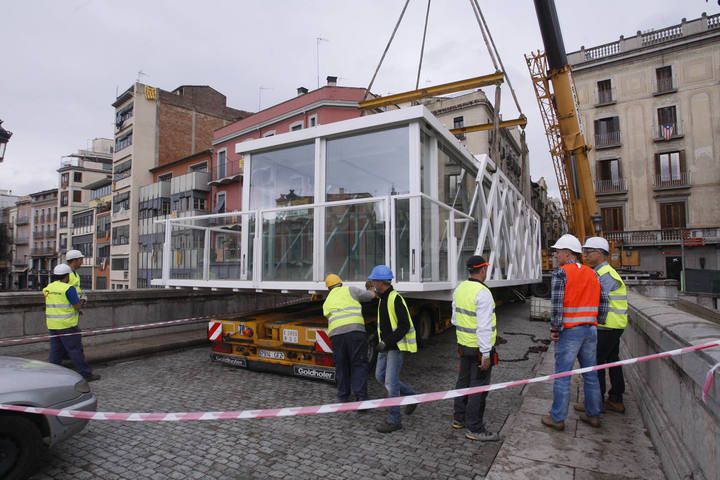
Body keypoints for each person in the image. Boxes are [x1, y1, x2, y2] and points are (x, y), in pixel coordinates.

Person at [541, 234, 607, 431]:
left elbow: (557, 305)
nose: (555, 255)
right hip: (590, 329)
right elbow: (604, 301)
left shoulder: (561, 273)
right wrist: (598, 321)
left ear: (568, 253)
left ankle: (558, 417)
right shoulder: (592, 273)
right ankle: (593, 414)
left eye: (558, 251)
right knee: (591, 373)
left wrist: (555, 328)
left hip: (570, 331)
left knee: (563, 374)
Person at [451, 255, 500, 442]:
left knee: (462, 383)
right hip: (480, 349)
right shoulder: (483, 293)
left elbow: (455, 320)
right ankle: (475, 428)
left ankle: (459, 418)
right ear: (483, 270)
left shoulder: (460, 289)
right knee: (478, 388)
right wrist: (486, 354)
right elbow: (485, 326)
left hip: (464, 347)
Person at [579, 237, 628, 413]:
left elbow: (598, 300)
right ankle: (616, 398)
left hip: (607, 326)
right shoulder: (604, 272)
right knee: (612, 361)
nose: (585, 255)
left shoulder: (604, 274)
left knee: (595, 362)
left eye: (588, 251)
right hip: (614, 325)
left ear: (599, 253)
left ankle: (595, 402)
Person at [368, 265, 418, 433]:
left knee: (390, 382)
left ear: (382, 282)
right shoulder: (383, 297)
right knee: (380, 376)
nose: (373, 283)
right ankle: (411, 396)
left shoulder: (395, 298)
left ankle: (394, 419)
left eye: (375, 280)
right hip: (386, 346)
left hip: (395, 347)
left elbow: (404, 325)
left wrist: (387, 342)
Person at [322, 273, 376, 404]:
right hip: (355, 332)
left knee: (341, 365)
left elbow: (327, 316)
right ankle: (361, 397)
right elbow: (371, 296)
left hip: (336, 336)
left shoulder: (327, 301)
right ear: (341, 282)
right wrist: (371, 288)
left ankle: (343, 396)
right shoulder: (350, 290)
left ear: (328, 288)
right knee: (358, 363)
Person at [44, 264, 100, 382]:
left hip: (52, 324)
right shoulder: (68, 289)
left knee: (56, 352)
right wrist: (83, 299)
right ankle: (85, 374)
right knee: (75, 350)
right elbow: (77, 306)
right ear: (67, 276)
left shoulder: (49, 287)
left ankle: (51, 374)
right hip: (67, 325)